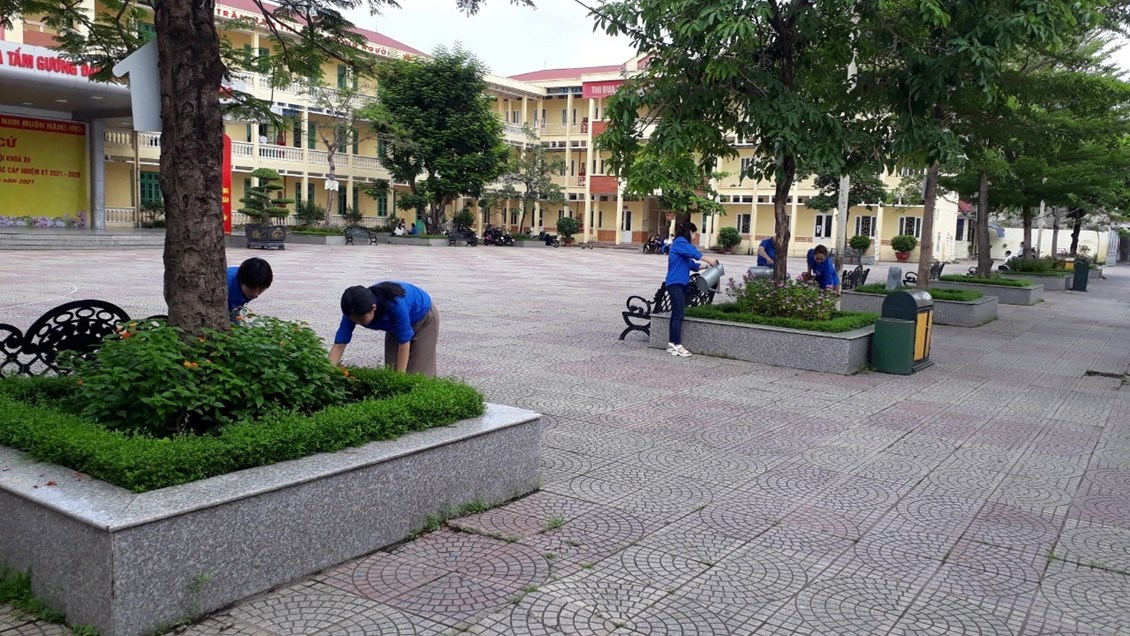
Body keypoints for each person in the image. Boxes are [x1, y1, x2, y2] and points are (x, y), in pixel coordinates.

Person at [330, 281, 439, 376]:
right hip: (395, 325)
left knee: (419, 373)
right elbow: (339, 345)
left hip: (423, 317)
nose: (358, 323)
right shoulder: (352, 311)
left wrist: (400, 379)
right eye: (354, 320)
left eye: (361, 319)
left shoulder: (394, 305)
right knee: (391, 369)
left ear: (373, 308)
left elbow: (404, 342)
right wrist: (327, 374)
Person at [665, 221, 718, 358]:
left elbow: (693, 265)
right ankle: (677, 345)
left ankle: (671, 343)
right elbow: (693, 253)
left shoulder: (682, 248)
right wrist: (709, 259)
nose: (695, 237)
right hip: (675, 283)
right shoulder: (680, 243)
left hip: (679, 283)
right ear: (689, 232)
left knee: (676, 314)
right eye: (694, 233)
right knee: (679, 314)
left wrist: (708, 266)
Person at [227, 257, 272, 322]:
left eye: (261, 289)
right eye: (252, 288)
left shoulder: (249, 278)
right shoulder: (225, 287)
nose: (256, 295)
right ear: (241, 281)